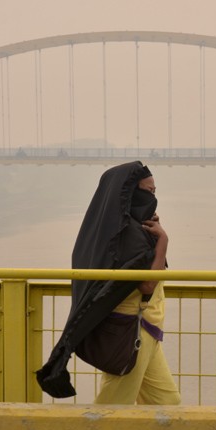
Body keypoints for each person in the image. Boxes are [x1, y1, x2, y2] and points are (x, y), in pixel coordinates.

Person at [36, 161, 180, 405]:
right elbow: (147, 285)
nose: (152, 197)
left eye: (155, 192)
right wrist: (163, 241)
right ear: (129, 193)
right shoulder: (128, 236)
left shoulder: (107, 232)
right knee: (112, 409)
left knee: (168, 406)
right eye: (148, 191)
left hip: (147, 332)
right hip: (132, 332)